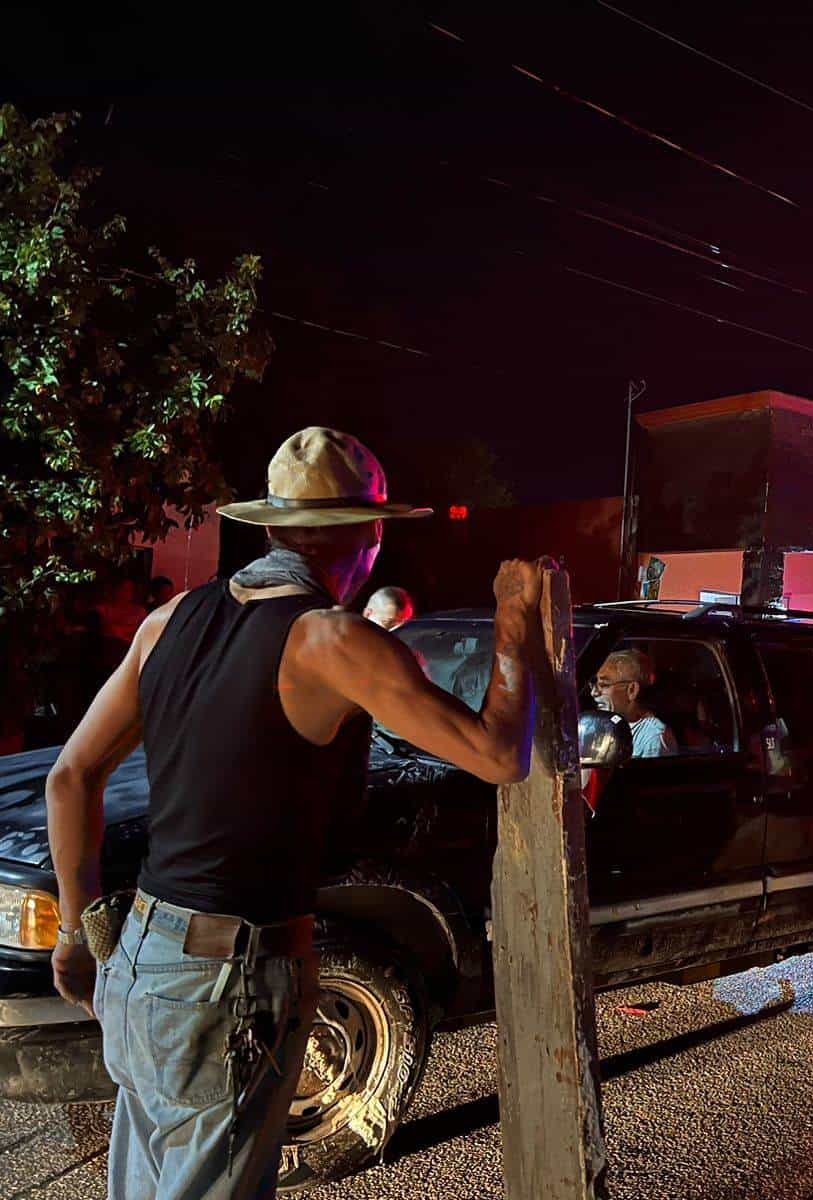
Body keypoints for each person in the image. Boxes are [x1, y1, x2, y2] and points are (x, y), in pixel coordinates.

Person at [46, 426, 550, 1199]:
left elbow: (71, 777)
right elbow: (497, 755)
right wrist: (516, 623)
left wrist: (79, 931)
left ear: (273, 525)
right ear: (366, 536)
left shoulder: (168, 620)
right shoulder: (329, 640)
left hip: (142, 954)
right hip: (229, 971)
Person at [592, 648, 677, 757]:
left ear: (632, 690)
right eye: (594, 684)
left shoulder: (652, 737)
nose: (593, 692)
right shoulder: (604, 726)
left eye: (604, 685)